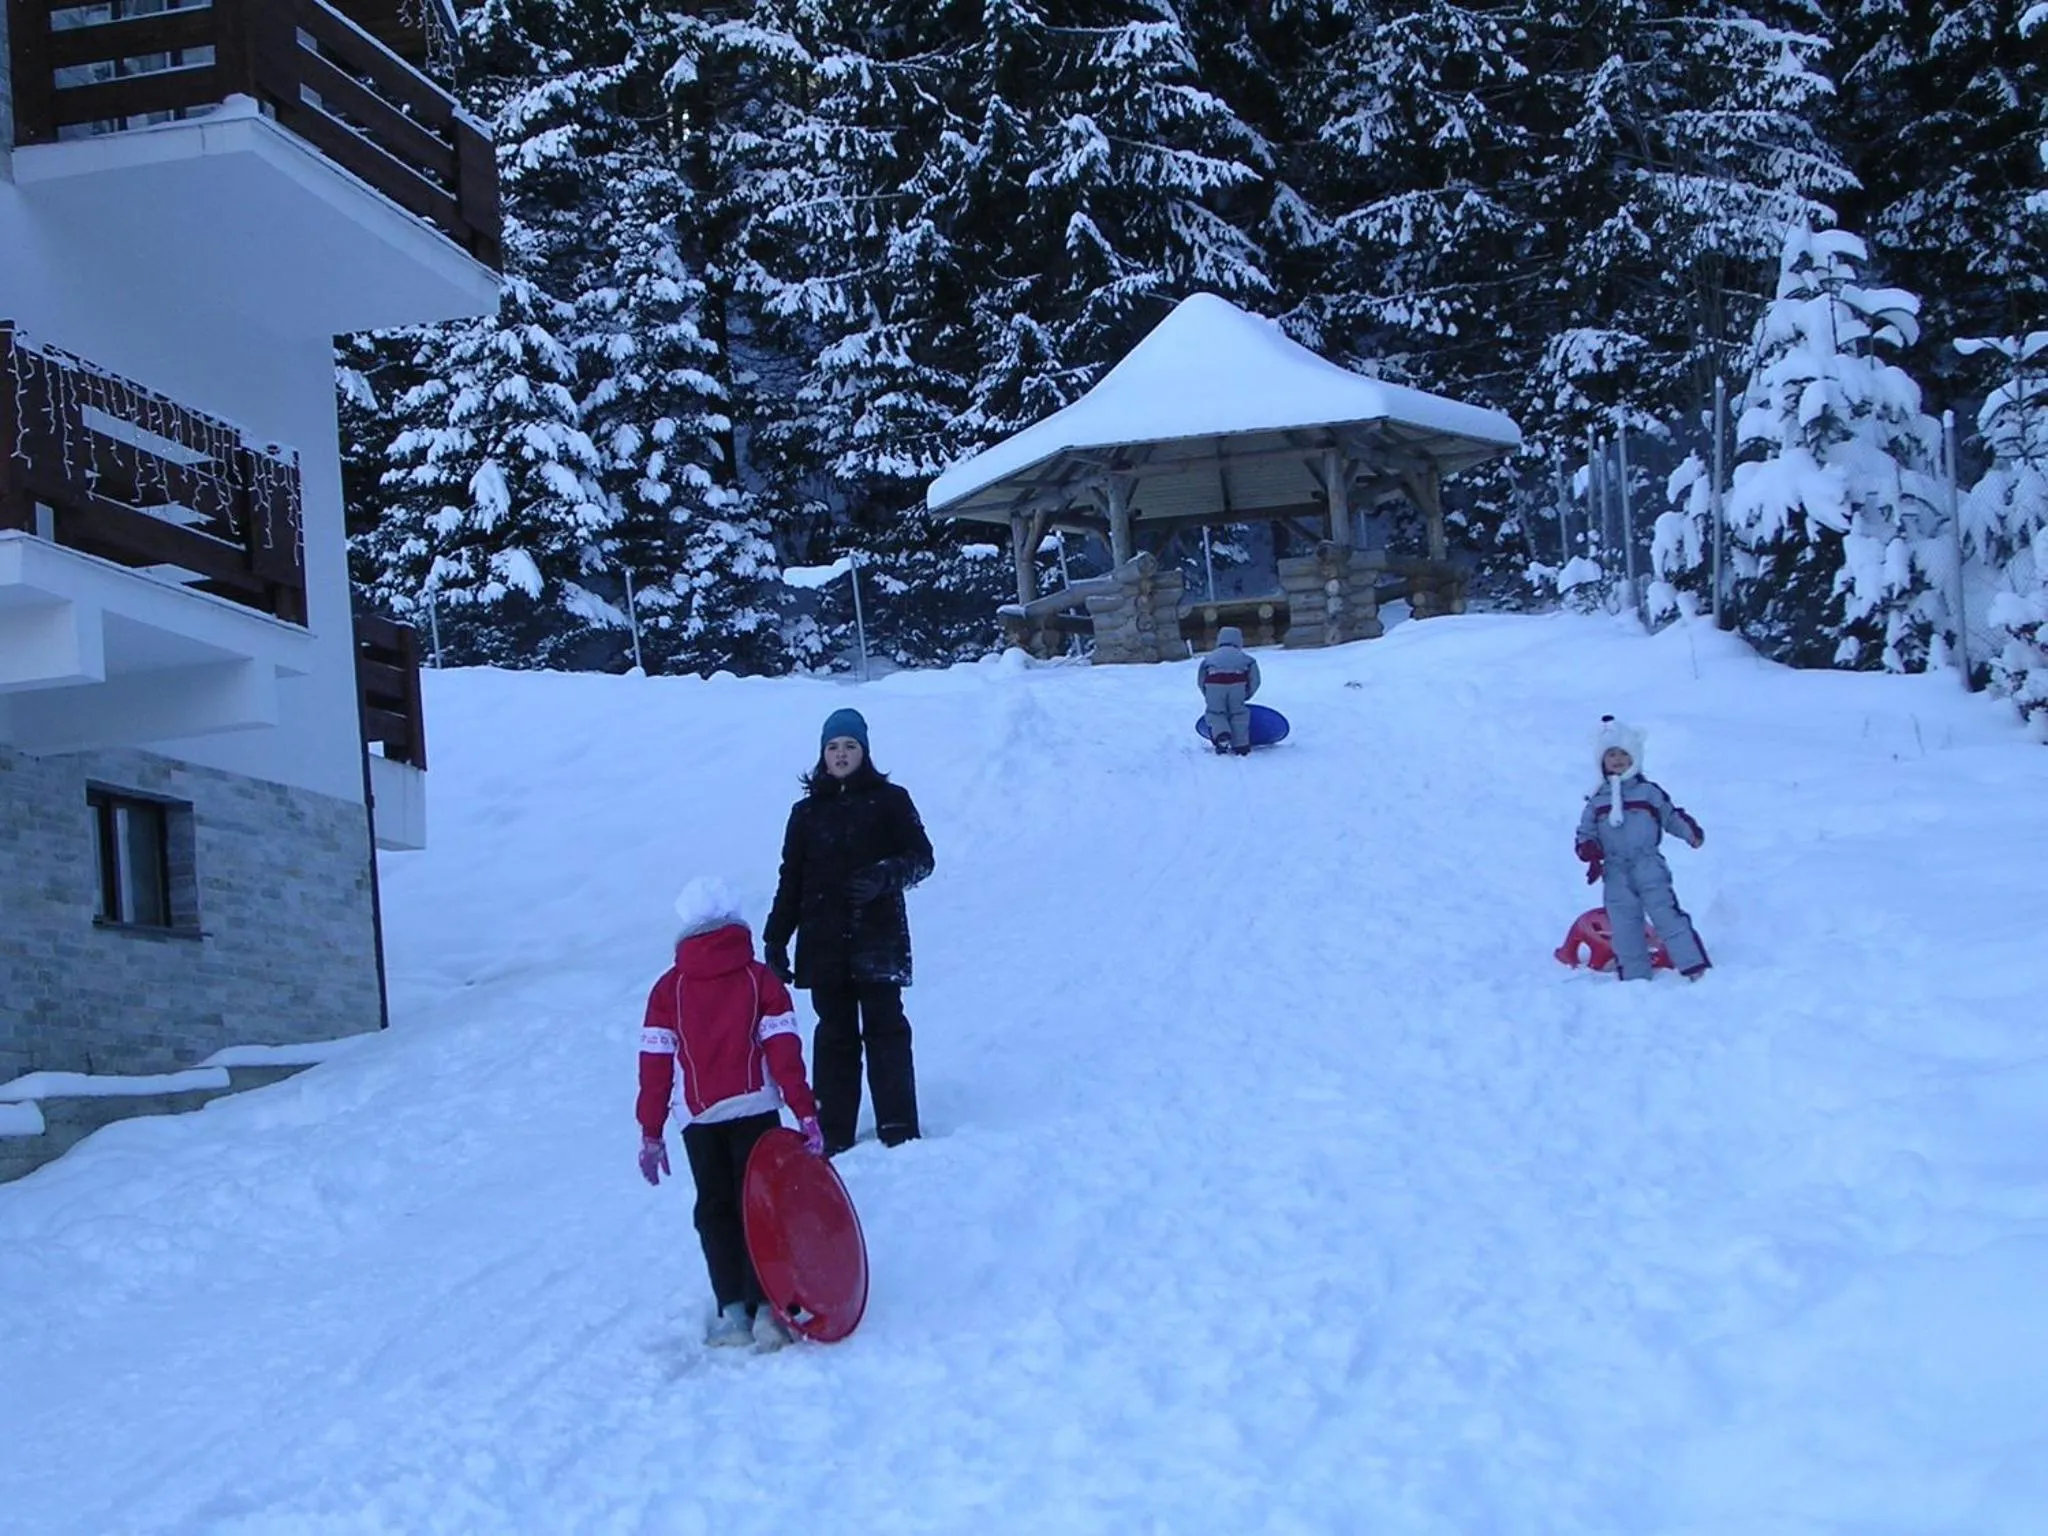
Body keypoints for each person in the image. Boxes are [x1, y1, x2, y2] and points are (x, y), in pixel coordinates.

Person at [636, 876, 824, 1350]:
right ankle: (769, 1308)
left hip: (698, 1120)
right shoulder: (760, 979)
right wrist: (804, 1110)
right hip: (757, 1110)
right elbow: (783, 1050)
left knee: (715, 1209)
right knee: (761, 1208)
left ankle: (733, 1312)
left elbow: (655, 1065)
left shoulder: (667, 990)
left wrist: (651, 1132)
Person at [764, 708, 934, 1156]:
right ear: (822, 755)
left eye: (850, 746)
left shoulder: (891, 800)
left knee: (886, 1030)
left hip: (878, 940)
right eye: (833, 747)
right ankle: (833, 1131)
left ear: (865, 751)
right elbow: (791, 880)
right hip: (822, 945)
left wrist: (884, 874)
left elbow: (922, 857)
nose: (841, 754)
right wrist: (776, 938)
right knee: (834, 1034)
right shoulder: (805, 813)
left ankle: (897, 1125)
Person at [1574, 716, 1710, 981]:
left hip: (1648, 865)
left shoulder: (1648, 792)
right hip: (1614, 870)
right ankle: (1635, 977)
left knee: (1666, 914)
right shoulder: (1597, 799)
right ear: (1601, 761)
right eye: (1610, 755)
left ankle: (1694, 966)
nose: (1617, 760)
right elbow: (1585, 830)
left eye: (1623, 754)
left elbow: (1670, 816)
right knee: (1624, 925)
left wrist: (1690, 833)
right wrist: (1588, 848)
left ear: (1634, 758)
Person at [1198, 625, 1259, 756]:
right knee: (1239, 713)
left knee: (1215, 713)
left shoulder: (1210, 658)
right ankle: (1241, 745)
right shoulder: (1246, 658)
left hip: (1213, 684)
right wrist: (1247, 694)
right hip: (1237, 683)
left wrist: (1207, 693)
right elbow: (1255, 679)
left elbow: (1201, 678)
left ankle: (1222, 736)